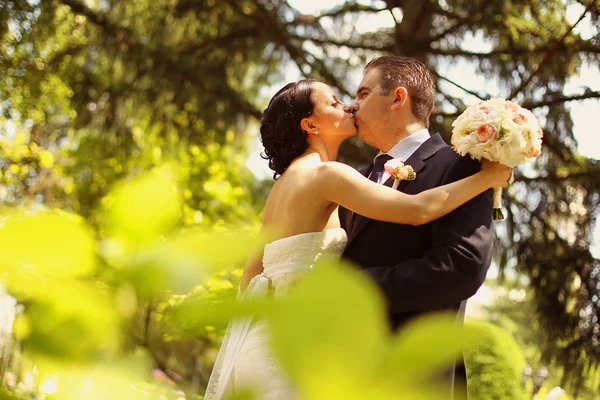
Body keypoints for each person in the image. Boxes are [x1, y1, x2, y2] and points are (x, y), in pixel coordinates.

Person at [204, 78, 511, 400]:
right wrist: (486, 178)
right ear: (310, 124)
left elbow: (251, 275)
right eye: (335, 103)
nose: (349, 106)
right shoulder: (328, 175)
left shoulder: (282, 188)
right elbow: (418, 209)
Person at [339, 55, 496, 398]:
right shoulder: (358, 178)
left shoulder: (460, 168)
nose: (353, 106)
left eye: (363, 94)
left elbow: (460, 267)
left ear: (398, 98)